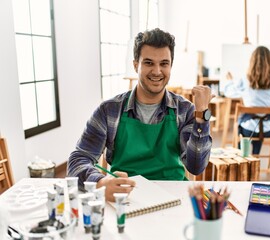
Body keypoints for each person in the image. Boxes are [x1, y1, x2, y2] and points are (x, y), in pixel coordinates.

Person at [67, 28, 214, 201]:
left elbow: (196, 167)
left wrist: (202, 115)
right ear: (136, 65)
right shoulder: (109, 110)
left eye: (164, 64)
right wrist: (100, 183)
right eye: (149, 63)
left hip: (173, 198)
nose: (157, 71)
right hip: (125, 198)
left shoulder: (185, 110)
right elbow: (78, 160)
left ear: (171, 66)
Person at [223, 46, 270, 154]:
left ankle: (242, 157)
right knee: (262, 124)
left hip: (247, 129)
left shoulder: (245, 81)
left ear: (252, 62)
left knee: (242, 127)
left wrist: (230, 81)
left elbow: (228, 92)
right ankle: (255, 156)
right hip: (267, 130)